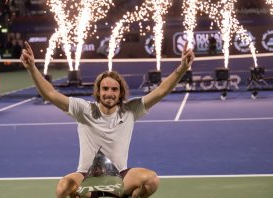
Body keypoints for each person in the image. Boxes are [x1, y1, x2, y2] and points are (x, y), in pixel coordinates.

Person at [20, 41, 195, 198]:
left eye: (114, 89)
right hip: (86, 177)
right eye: (105, 89)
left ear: (120, 93)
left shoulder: (130, 110)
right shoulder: (84, 109)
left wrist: (182, 68)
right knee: (63, 187)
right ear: (98, 90)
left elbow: (160, 91)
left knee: (151, 180)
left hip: (120, 177)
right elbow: (50, 94)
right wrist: (32, 69)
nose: (109, 93)